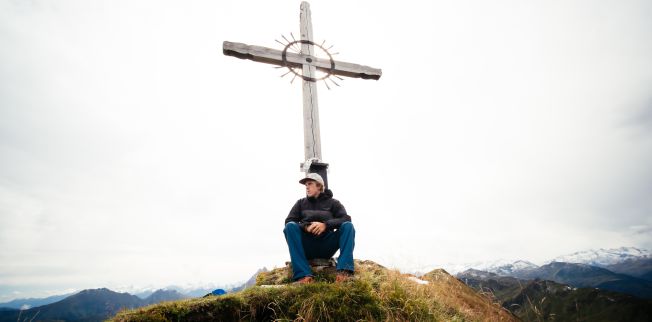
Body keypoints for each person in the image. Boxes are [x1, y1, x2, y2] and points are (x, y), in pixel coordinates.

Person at [283, 172, 355, 284]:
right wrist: (306, 227)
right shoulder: (300, 203)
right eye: (305, 185)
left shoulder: (333, 203)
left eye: (310, 184)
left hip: (326, 245)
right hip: (307, 246)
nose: (307, 187)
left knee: (348, 226)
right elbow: (289, 221)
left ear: (319, 186)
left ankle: (344, 273)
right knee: (290, 226)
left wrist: (325, 225)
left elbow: (346, 219)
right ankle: (303, 276)